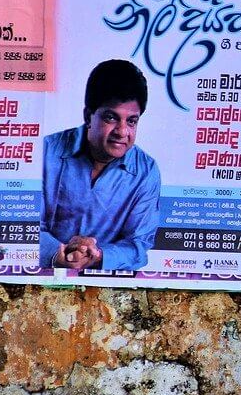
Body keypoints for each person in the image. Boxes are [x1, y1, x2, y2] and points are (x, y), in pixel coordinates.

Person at [39, 59, 161, 272]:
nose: (122, 132)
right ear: (88, 116)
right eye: (111, 118)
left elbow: (138, 245)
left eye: (131, 121)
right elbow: (22, 227)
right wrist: (57, 253)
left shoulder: (146, 172)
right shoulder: (46, 152)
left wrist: (98, 256)